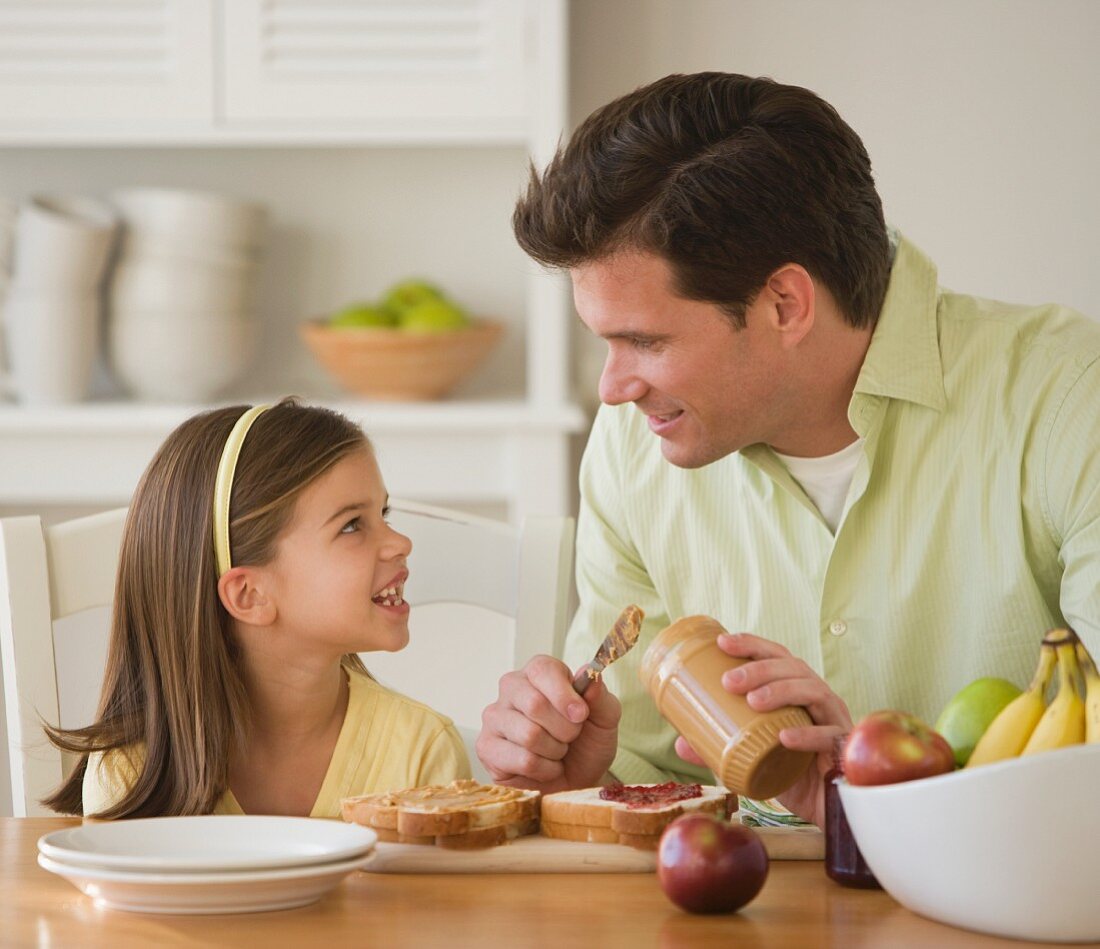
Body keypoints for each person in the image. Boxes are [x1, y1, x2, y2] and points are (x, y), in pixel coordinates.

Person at [476, 72, 1100, 827]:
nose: (612, 388)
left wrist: (876, 793)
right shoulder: (631, 450)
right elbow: (651, 762)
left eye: (644, 340)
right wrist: (583, 769)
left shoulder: (1069, 399)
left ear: (785, 304)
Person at [44, 398, 470, 819]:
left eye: (384, 513)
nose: (400, 543)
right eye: (352, 525)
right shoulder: (129, 776)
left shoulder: (423, 755)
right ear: (249, 594)